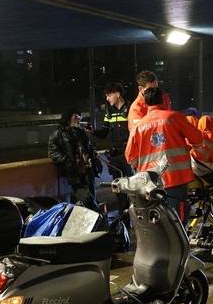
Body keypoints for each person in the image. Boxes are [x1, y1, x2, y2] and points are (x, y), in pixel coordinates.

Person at [125, 87, 203, 222]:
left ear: (146, 103)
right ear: (162, 100)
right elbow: (198, 139)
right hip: (176, 179)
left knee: (158, 222)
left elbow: (130, 157)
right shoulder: (174, 117)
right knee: (177, 222)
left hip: (151, 183)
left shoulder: (139, 126)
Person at [48, 106, 102, 211]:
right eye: (76, 116)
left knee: (92, 198)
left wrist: (96, 158)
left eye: (80, 117)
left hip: (88, 170)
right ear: (69, 117)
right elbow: (53, 152)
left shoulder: (80, 131)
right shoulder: (58, 133)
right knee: (87, 200)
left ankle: (95, 223)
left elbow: (90, 147)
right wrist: (67, 161)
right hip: (75, 173)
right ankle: (101, 220)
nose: (79, 119)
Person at [93, 82, 134, 214]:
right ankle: (124, 215)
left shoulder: (131, 109)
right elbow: (104, 133)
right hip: (115, 155)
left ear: (118, 94)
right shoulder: (109, 112)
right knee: (118, 187)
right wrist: (93, 131)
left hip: (129, 154)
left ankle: (137, 214)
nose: (107, 99)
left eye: (109, 95)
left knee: (134, 186)